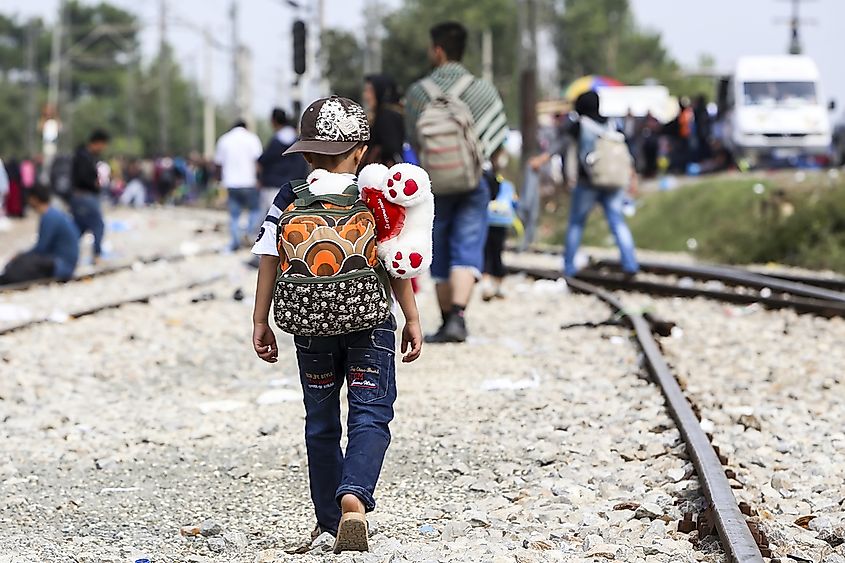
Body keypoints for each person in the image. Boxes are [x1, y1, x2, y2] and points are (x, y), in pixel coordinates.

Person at [251, 96, 422, 553]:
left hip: (309, 326)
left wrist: (260, 320)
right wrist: (412, 318)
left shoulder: (290, 195)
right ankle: (354, 501)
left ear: (306, 154)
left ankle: (328, 520)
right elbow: (396, 261)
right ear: (361, 150)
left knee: (322, 421)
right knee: (370, 412)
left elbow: (269, 257)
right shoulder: (375, 195)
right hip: (370, 322)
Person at [405, 21, 508, 343]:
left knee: (439, 248)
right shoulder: (482, 89)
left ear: (438, 50)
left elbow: (414, 140)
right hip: (471, 180)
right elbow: (496, 137)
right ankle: (460, 319)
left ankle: (446, 319)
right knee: (468, 244)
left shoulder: (419, 92)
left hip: (435, 182)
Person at [530, 90, 639, 277]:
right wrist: (632, 175)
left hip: (587, 182)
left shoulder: (580, 125)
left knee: (576, 223)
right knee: (617, 222)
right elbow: (623, 151)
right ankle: (630, 264)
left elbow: (561, 145)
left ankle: (569, 267)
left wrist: (542, 159)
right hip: (613, 182)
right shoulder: (612, 123)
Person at [0, 184, 79, 285]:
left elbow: (41, 248)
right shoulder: (53, 214)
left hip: (61, 266)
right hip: (63, 262)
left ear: (34, 199)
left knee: (23, 262)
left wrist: (20, 256)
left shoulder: (49, 217)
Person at [215, 119, 263, 251]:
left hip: (231, 183)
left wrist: (218, 181)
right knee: (255, 210)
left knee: (234, 215)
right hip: (249, 182)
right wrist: (260, 179)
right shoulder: (252, 139)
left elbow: (218, 164)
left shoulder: (224, 140)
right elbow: (258, 161)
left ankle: (236, 242)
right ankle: (248, 233)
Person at [482, 147, 518, 301]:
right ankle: (494, 285)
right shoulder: (508, 185)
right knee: (495, 253)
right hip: (500, 222)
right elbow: (515, 204)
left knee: (489, 253)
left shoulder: (486, 181)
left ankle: (490, 284)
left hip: (491, 221)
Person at [258, 108, 309, 212]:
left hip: (272, 186)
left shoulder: (275, 142)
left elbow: (262, 161)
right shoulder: (297, 142)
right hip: (294, 187)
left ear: (273, 121)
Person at [70, 129, 110, 261]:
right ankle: (97, 256)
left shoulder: (85, 155)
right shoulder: (83, 156)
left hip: (80, 197)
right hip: (84, 196)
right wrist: (94, 183)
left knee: (79, 228)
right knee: (98, 225)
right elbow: (82, 178)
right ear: (98, 143)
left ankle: (67, 253)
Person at [362, 74, 405, 167]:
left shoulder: (387, 116)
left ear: (380, 91)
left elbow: (391, 147)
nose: (365, 95)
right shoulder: (378, 115)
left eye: (370, 91)